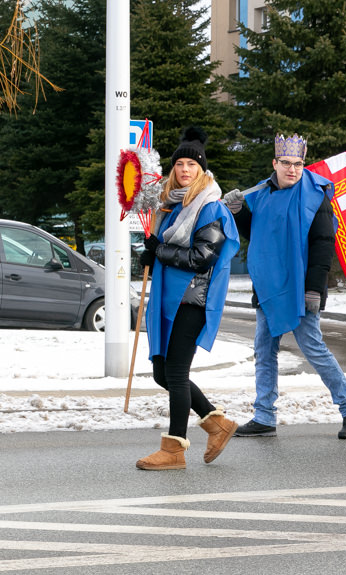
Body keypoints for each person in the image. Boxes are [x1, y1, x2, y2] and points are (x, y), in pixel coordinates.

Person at [223, 134, 346, 439]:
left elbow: (323, 244)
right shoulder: (260, 194)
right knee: (264, 351)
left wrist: (314, 290)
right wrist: (239, 212)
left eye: (298, 163)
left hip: (303, 289)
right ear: (274, 163)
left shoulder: (316, 196)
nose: (292, 169)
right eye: (286, 163)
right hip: (268, 287)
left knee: (312, 348)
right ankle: (264, 415)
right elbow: (257, 231)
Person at [136, 127, 241, 471]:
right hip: (170, 297)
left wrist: (161, 251)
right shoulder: (171, 205)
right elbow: (167, 250)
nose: (184, 170)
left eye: (191, 165)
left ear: (202, 170)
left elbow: (202, 257)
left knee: (176, 373)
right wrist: (151, 255)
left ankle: (174, 450)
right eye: (179, 164)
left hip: (193, 299)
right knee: (162, 373)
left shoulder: (210, 207)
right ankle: (216, 423)